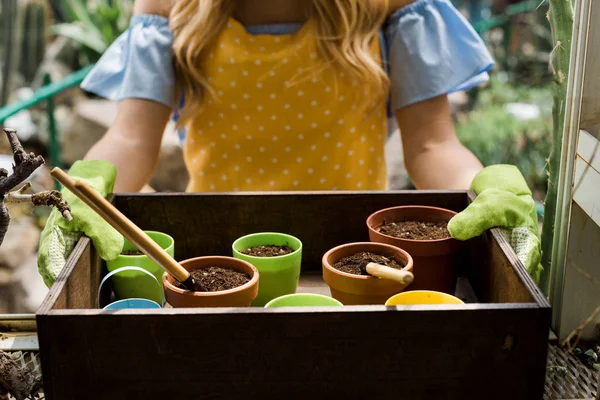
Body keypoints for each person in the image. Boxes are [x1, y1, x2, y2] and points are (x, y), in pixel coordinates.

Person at [37, 0, 542, 287]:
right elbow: (131, 138)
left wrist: (485, 186)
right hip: (217, 270)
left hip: (357, 267)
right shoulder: (169, 5)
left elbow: (433, 146)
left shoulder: (393, 6)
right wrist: (88, 186)